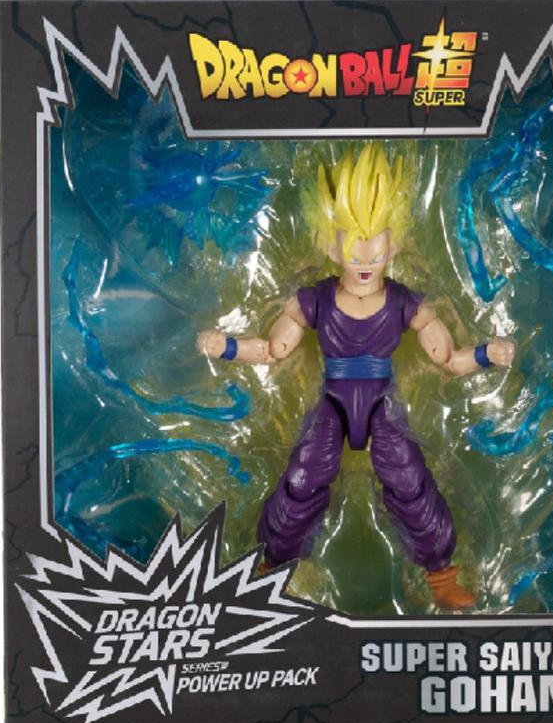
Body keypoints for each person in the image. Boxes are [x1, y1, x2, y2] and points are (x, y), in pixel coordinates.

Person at [198, 143, 515, 610]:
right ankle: (269, 570)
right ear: (331, 245)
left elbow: (448, 359)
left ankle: (441, 575)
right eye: (353, 246)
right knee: (304, 477)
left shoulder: (406, 302)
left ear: (394, 243)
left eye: (376, 247)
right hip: (333, 400)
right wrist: (225, 346)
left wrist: (488, 353)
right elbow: (271, 350)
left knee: (408, 479)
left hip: (382, 401)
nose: (365, 258)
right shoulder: (314, 299)